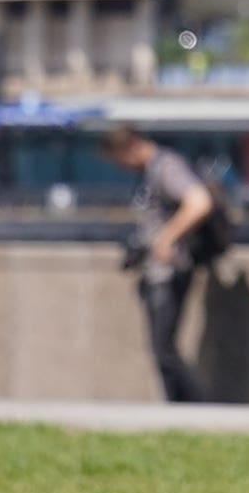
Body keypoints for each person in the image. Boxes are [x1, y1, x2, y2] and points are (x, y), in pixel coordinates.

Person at [93, 117, 233, 404]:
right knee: (161, 351)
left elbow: (199, 202)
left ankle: (201, 409)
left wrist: (166, 238)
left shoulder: (166, 166)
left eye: (120, 159)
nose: (122, 167)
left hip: (171, 269)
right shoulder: (151, 171)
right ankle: (178, 410)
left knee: (164, 349)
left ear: (130, 148)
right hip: (158, 271)